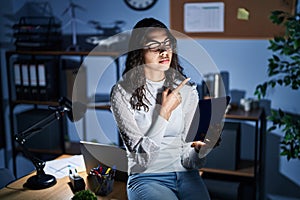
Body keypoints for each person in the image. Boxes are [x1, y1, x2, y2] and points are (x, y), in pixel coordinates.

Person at [110, 18, 211, 200]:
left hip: (186, 174)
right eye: (155, 46)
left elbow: (190, 162)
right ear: (138, 52)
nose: (164, 52)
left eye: (167, 44)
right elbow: (142, 161)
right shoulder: (122, 92)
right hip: (146, 177)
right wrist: (163, 113)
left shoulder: (186, 90)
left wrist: (198, 148)